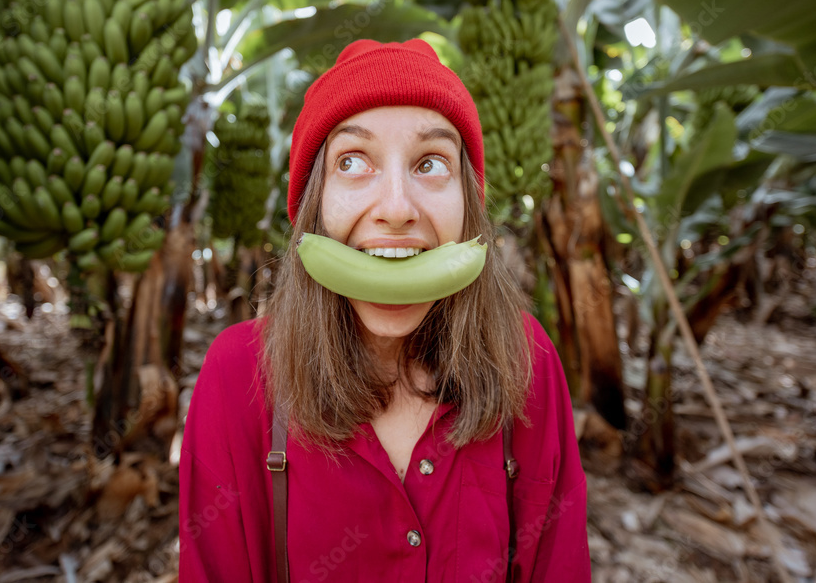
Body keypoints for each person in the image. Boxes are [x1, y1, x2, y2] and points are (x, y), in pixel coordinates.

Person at [179, 39, 590, 582]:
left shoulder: (525, 358)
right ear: (313, 206)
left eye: (431, 163)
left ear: (468, 203)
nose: (396, 209)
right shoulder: (240, 374)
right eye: (352, 161)